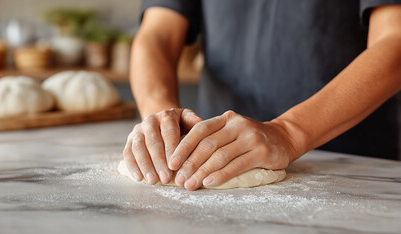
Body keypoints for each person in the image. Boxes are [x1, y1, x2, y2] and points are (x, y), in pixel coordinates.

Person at [123, 0, 401, 191]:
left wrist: (289, 132)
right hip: (211, 161)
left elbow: (394, 40)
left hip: (351, 167)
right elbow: (157, 33)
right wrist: (164, 126)